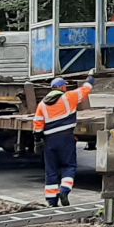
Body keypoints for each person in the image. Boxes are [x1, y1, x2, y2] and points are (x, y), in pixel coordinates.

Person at [32, 73, 95, 207]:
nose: (66, 88)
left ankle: (51, 201)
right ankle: (64, 191)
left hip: (49, 140)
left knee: (51, 170)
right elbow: (85, 90)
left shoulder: (42, 104)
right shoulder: (68, 97)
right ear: (61, 88)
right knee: (69, 166)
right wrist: (90, 80)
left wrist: (38, 140)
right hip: (66, 138)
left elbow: (37, 124)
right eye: (65, 86)